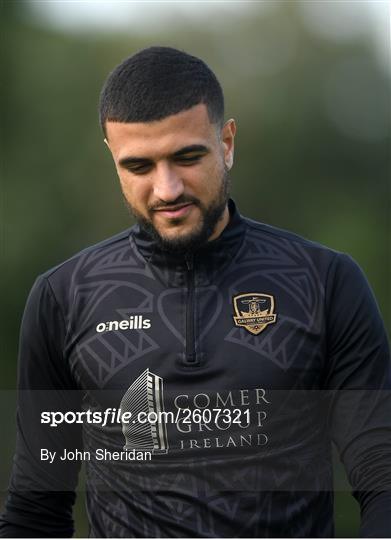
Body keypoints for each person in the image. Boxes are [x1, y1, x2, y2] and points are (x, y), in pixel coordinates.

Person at [1, 46, 390, 538]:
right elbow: (35, 508)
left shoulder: (325, 281)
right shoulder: (62, 297)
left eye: (187, 157)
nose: (166, 189)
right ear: (112, 158)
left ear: (226, 142)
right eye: (139, 166)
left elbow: (381, 475)